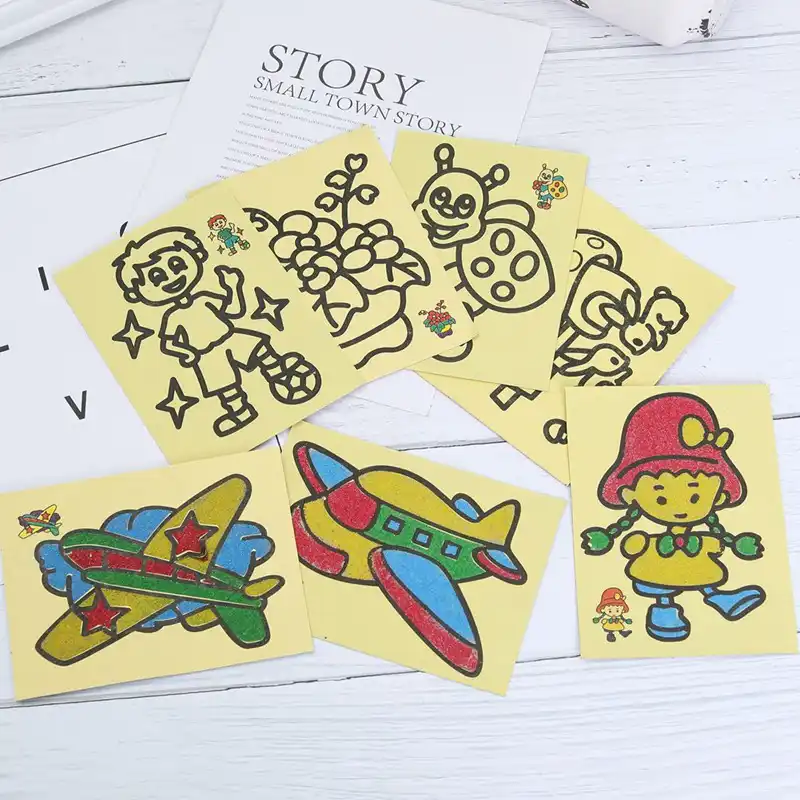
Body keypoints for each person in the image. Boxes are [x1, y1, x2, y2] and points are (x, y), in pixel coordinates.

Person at [581, 393, 765, 643]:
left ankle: (720, 598)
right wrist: (635, 543)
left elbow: (716, 543)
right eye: (660, 498)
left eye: (695, 497)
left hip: (693, 558)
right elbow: (631, 545)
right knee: (662, 588)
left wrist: (727, 543)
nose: (680, 508)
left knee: (702, 574)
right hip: (655, 561)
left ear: (719, 496)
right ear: (630, 494)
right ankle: (664, 612)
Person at [113, 226, 320, 437]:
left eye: (176, 265)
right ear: (136, 292)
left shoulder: (204, 298)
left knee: (258, 349)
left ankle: (279, 373)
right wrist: (186, 352)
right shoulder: (174, 317)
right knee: (226, 387)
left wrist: (233, 287)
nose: (171, 278)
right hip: (208, 356)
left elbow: (234, 310)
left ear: (195, 257)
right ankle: (239, 411)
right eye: (156, 277)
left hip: (230, 338)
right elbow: (168, 344)